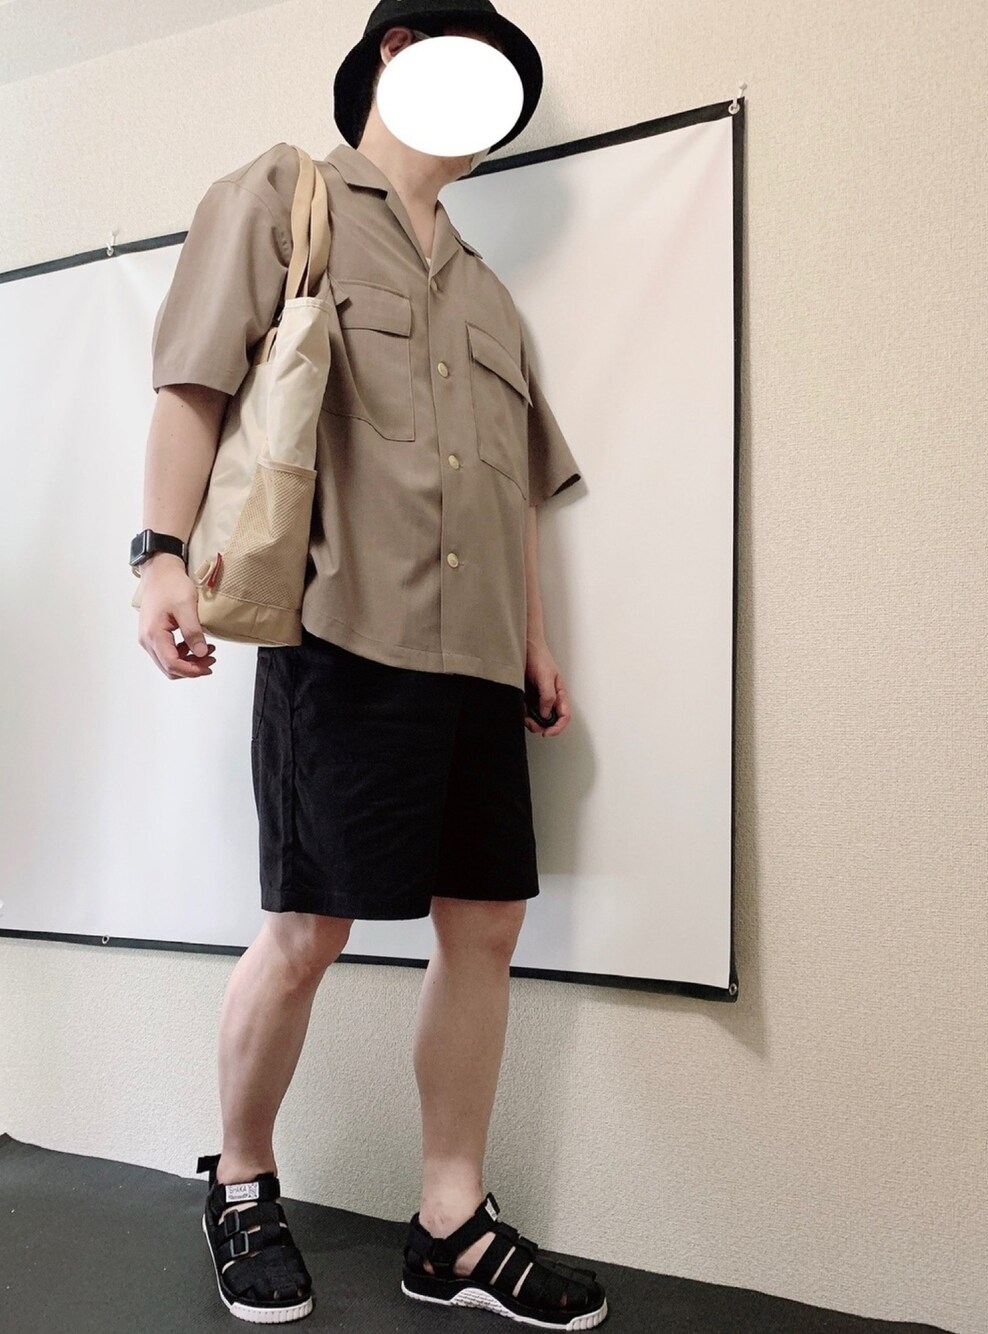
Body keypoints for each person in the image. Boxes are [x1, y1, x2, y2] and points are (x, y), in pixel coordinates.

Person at [132, 1, 605, 1326]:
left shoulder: (493, 295)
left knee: (486, 924)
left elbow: (512, 488)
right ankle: (240, 1179)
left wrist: (534, 640)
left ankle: (451, 1221)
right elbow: (193, 384)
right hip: (339, 632)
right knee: (310, 926)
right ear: (397, 57)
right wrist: (158, 554)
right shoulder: (285, 199)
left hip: (476, 660)